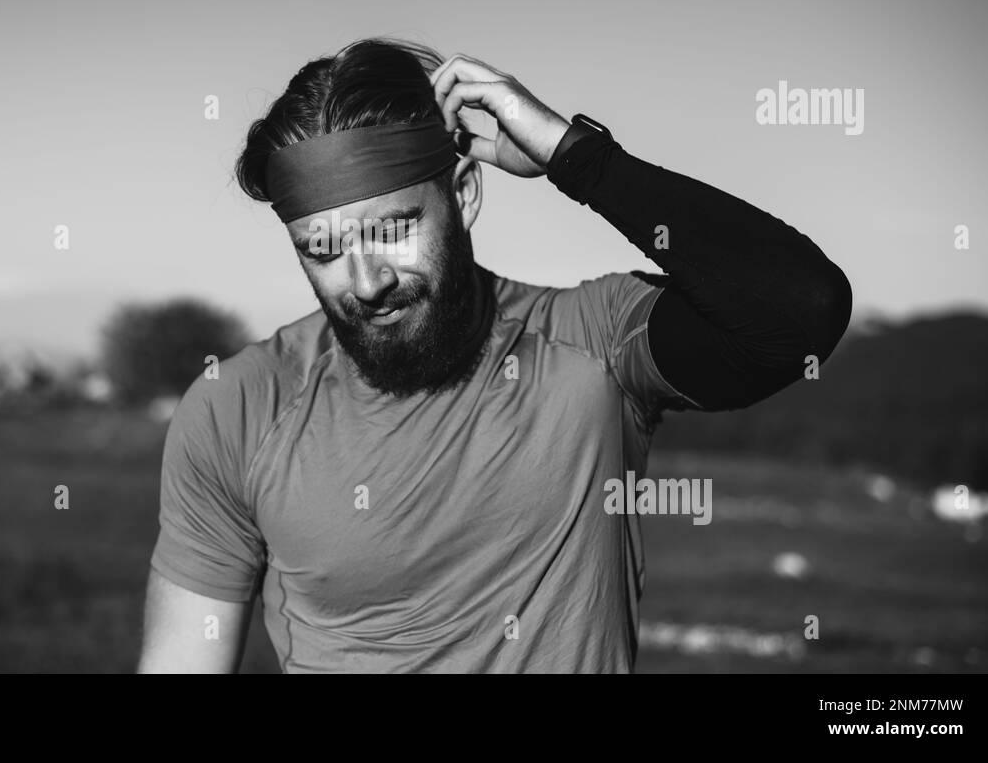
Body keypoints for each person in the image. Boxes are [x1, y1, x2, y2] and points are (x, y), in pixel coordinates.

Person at [137, 37, 852, 673]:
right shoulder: (238, 408)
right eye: (322, 250)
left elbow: (800, 311)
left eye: (392, 229)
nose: (366, 281)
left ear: (465, 195)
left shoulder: (591, 348)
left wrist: (580, 158)